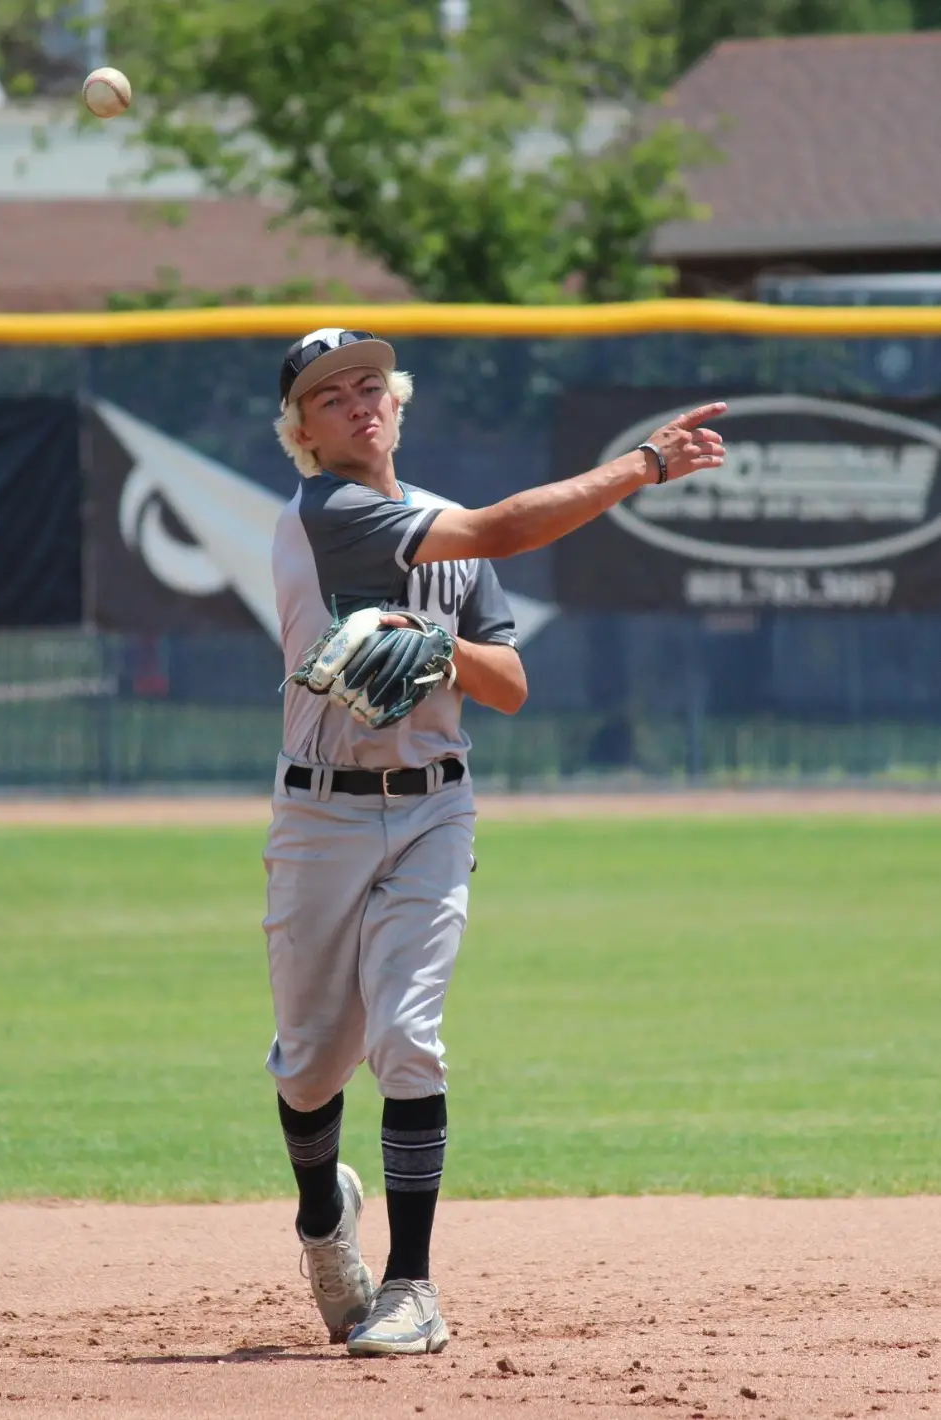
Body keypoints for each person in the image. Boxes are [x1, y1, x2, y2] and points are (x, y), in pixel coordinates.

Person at [264, 327, 726, 1358]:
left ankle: (411, 1286)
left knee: (407, 1036)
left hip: (434, 809)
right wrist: (643, 465)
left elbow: (509, 686)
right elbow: (506, 529)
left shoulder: (445, 532)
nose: (358, 402)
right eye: (331, 396)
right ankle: (322, 1217)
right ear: (303, 432)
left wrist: (441, 648)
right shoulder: (328, 511)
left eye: (371, 384)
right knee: (310, 1066)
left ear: (399, 399)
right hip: (321, 814)